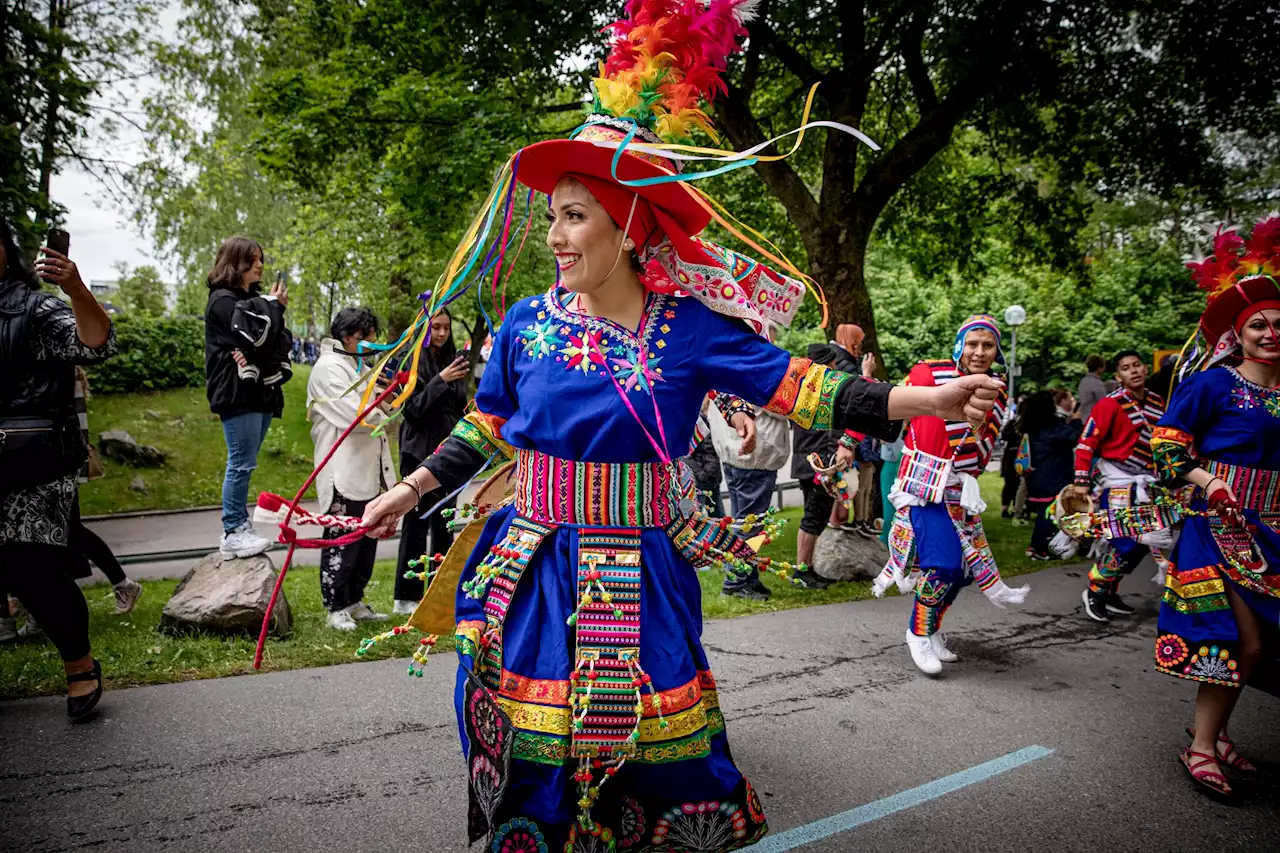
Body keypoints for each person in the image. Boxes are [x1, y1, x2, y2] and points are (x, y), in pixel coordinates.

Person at [357, 5, 1001, 846]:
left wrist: (928, 400)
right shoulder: (525, 324)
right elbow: (489, 422)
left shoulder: (688, 329)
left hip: (642, 567)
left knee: (659, 750)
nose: (553, 235)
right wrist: (408, 490)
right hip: (534, 557)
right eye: (552, 215)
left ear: (628, 227)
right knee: (533, 749)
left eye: (575, 214)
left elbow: (805, 388)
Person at [1147, 216, 1280, 798]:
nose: (1271, 332)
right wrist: (1209, 481)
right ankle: (1202, 746)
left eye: (1279, 323)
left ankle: (1218, 734)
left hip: (1273, 530)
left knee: (1261, 645)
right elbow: (1167, 445)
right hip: (1219, 527)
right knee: (1240, 641)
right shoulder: (1213, 384)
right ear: (1239, 332)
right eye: (1258, 325)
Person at [0, 217, 115, 719]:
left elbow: (96, 343)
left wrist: (75, 287)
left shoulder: (35, 306)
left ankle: (79, 663)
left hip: (33, 460)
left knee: (33, 570)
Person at [875, 315, 1029, 676]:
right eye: (972, 343)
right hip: (924, 487)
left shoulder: (998, 387)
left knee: (961, 573)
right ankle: (917, 632)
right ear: (960, 344)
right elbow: (887, 406)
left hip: (962, 491)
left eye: (987, 345)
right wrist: (849, 443)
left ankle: (932, 628)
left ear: (996, 351)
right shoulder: (929, 373)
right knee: (942, 565)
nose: (979, 352)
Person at [306, 307, 395, 631]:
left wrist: (386, 394)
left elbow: (380, 410)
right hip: (342, 469)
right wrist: (382, 401)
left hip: (367, 470)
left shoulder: (358, 367)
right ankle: (335, 606)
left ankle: (354, 600)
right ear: (347, 337)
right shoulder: (329, 370)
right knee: (341, 537)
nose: (372, 345)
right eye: (366, 338)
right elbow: (355, 418)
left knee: (365, 538)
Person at [204, 236, 291, 559]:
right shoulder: (222, 301)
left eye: (261, 259)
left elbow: (279, 341)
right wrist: (274, 311)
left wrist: (274, 314)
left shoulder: (253, 300)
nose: (260, 265)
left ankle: (239, 525)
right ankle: (233, 529)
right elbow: (256, 337)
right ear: (235, 263)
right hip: (237, 391)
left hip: (260, 391)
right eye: (253, 260)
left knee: (246, 463)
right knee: (240, 463)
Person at [1064, 349, 1166, 622]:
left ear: (1145, 369)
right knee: (1124, 542)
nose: (1133, 371)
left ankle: (1109, 591)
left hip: (1146, 483)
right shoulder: (1110, 404)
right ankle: (1096, 589)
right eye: (1125, 367)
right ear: (1117, 375)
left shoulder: (1158, 402)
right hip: (1118, 482)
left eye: (1136, 365)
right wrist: (1081, 481)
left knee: (1144, 542)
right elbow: (1087, 442)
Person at [393, 309, 470, 615]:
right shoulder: (410, 363)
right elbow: (412, 411)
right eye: (436, 327)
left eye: (446, 328)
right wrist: (440, 380)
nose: (441, 333)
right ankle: (406, 596)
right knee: (415, 524)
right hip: (419, 454)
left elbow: (456, 406)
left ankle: (439, 594)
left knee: (444, 527)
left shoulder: (452, 360)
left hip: (448, 454)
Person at [790, 327, 873, 585]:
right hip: (819, 464)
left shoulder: (801, 388)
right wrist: (867, 376)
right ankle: (802, 571)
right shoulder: (823, 393)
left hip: (805, 460)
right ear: (827, 366)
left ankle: (806, 568)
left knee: (814, 515)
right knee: (814, 516)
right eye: (834, 364)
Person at [709, 400, 789, 599]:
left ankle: (748, 577)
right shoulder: (754, 368)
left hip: (734, 451)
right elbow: (782, 406)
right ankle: (735, 582)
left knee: (743, 522)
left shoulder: (724, 372)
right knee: (750, 527)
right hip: (756, 453)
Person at [1020, 390, 1083, 560]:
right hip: (1053, 476)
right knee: (1049, 513)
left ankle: (1045, 543)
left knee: (1048, 511)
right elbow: (1072, 437)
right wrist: (1076, 420)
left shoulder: (1034, 424)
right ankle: (1038, 547)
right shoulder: (1051, 425)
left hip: (1039, 476)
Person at [1077, 354, 1107, 422]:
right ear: (1100, 368)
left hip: (1084, 419)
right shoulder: (1097, 383)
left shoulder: (1083, 381)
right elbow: (1104, 403)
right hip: (1094, 420)